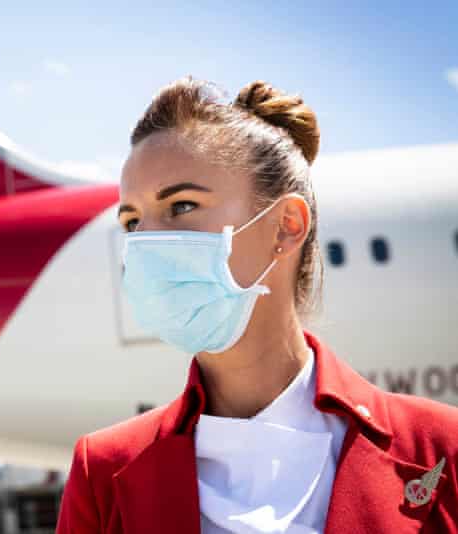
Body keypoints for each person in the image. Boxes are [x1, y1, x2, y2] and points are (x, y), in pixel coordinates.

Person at [55, 77, 458, 533]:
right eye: (132, 221)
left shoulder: (441, 449)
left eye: (182, 205)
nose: (147, 243)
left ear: (286, 225)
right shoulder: (103, 473)